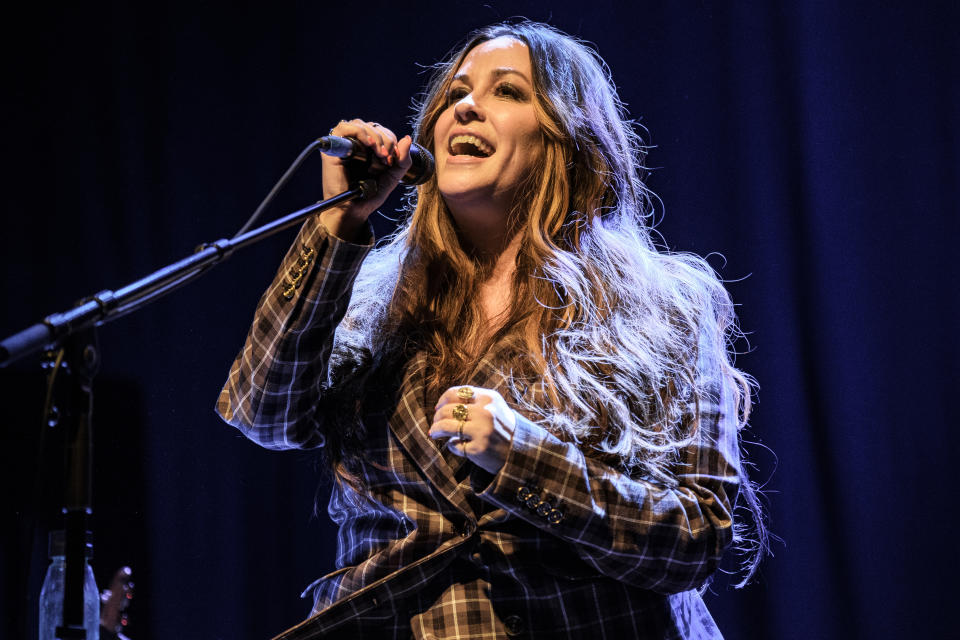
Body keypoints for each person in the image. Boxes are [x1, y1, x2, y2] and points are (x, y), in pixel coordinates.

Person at [217, 20, 765, 639]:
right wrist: (339, 225)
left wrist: (522, 455)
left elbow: (696, 539)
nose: (467, 107)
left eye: (507, 92)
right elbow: (263, 413)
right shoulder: (370, 296)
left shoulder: (666, 308)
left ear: (568, 140)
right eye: (454, 95)